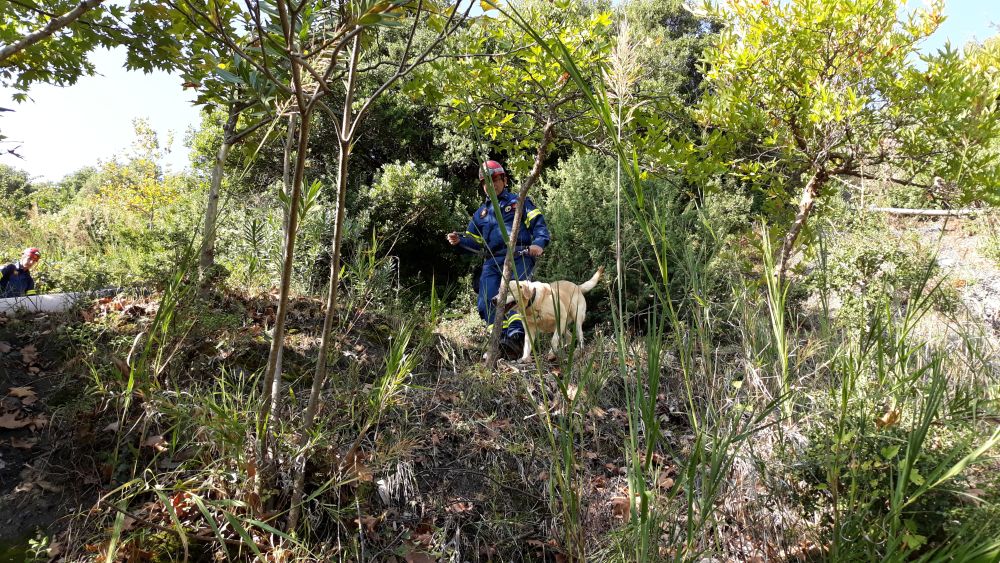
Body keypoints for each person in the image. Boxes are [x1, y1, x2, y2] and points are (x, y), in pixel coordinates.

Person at [447, 160, 550, 357]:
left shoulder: (518, 201)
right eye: (485, 181)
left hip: (519, 256)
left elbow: (539, 224)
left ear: (504, 179)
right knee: (485, 300)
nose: (490, 184)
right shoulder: (481, 214)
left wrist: (538, 243)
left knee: (516, 297)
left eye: (494, 179)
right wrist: (459, 241)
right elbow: (474, 242)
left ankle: (516, 338)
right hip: (492, 261)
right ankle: (499, 341)